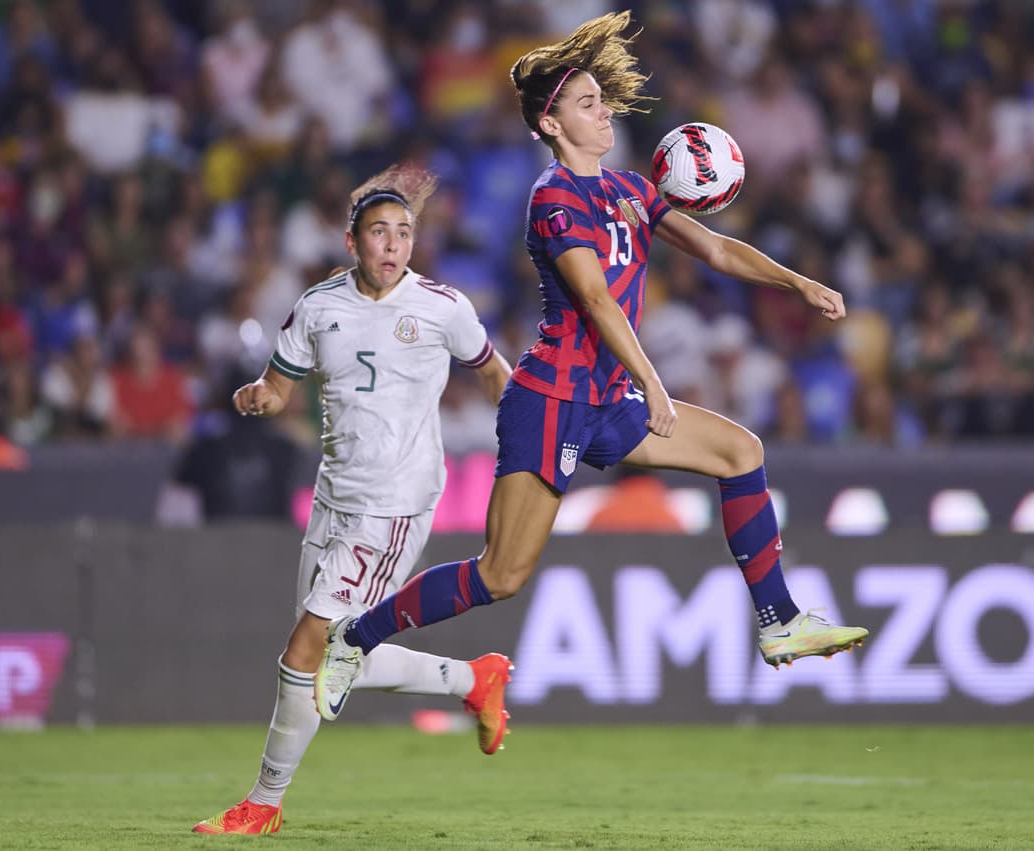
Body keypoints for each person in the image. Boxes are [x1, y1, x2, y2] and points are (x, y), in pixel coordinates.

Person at [315, 12, 870, 722]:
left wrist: (798, 282)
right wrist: (653, 380)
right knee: (501, 573)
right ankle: (353, 636)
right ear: (550, 125)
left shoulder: (629, 190)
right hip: (551, 398)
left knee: (741, 451)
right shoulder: (553, 198)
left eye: (600, 99)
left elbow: (719, 250)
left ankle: (779, 620)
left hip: (606, 397)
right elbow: (596, 298)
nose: (603, 109)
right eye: (584, 103)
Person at [193, 163, 514, 835]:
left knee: (305, 648)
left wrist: (526, 440)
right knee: (334, 649)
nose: (393, 245)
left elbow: (492, 374)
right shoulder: (317, 307)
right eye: (379, 233)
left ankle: (263, 802)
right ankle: (473, 680)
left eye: (404, 232)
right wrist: (260, 396)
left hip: (395, 501)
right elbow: (278, 386)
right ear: (352, 241)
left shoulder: (442, 306)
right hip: (334, 493)